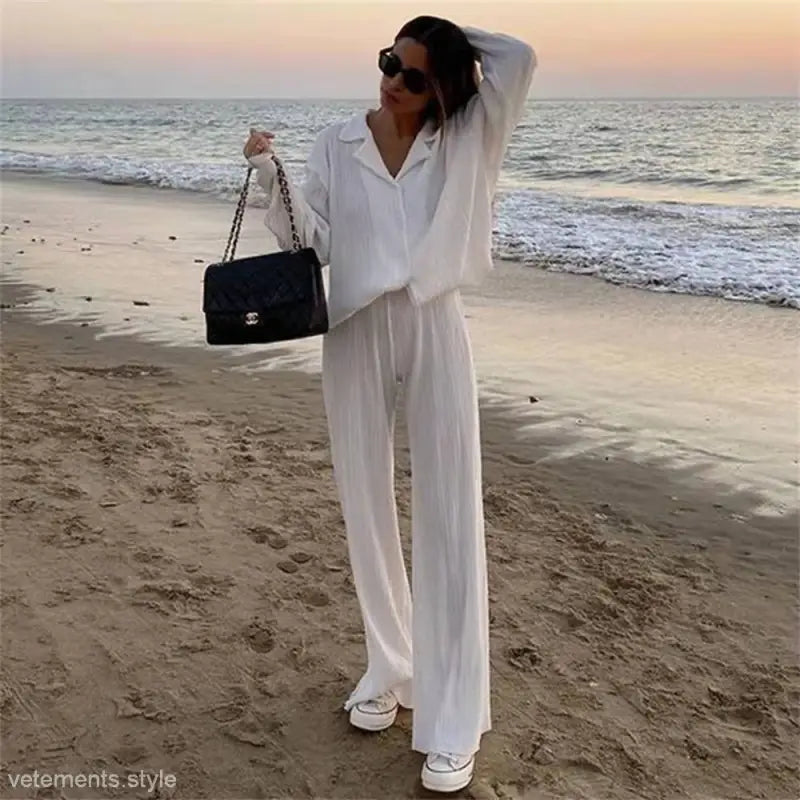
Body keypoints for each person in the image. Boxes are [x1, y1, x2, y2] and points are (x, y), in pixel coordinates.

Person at [243, 15, 536, 794]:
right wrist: (272, 176)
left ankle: (451, 719)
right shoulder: (338, 141)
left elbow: (521, 57)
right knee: (365, 505)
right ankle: (391, 668)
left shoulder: (469, 135)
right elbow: (317, 241)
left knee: (449, 510)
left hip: (435, 321)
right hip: (355, 324)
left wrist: (443, 34)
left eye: (411, 73)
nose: (391, 82)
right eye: (387, 63)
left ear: (441, 83)